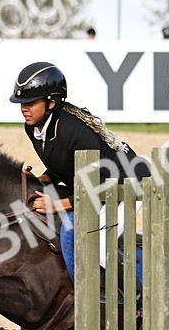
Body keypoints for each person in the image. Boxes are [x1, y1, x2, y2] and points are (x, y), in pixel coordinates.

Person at [10, 62, 150, 216]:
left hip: (124, 184)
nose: (23, 108)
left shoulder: (75, 132)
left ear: (51, 103)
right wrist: (41, 179)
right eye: (22, 103)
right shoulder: (32, 127)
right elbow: (66, 163)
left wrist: (57, 205)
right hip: (88, 186)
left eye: (31, 103)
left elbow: (99, 183)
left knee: (92, 237)